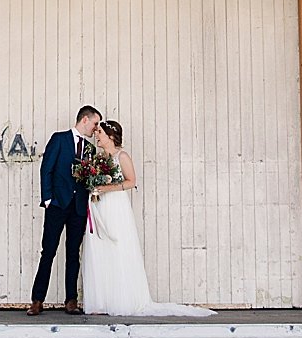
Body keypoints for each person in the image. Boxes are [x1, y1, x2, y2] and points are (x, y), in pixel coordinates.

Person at [80, 120, 212, 318]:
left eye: (99, 132)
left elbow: (131, 181)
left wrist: (106, 188)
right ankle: (102, 300)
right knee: (99, 250)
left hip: (115, 207)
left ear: (111, 136)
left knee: (117, 249)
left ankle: (121, 300)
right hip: (99, 207)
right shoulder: (98, 158)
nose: (96, 135)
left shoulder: (121, 156)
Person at [28, 105, 101, 316]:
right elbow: (46, 169)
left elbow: (89, 178)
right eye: (95, 124)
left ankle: (71, 300)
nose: (96, 129)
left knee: (73, 254)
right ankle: (37, 300)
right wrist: (48, 199)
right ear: (85, 120)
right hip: (58, 205)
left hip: (78, 208)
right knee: (48, 252)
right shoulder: (59, 139)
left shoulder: (90, 149)